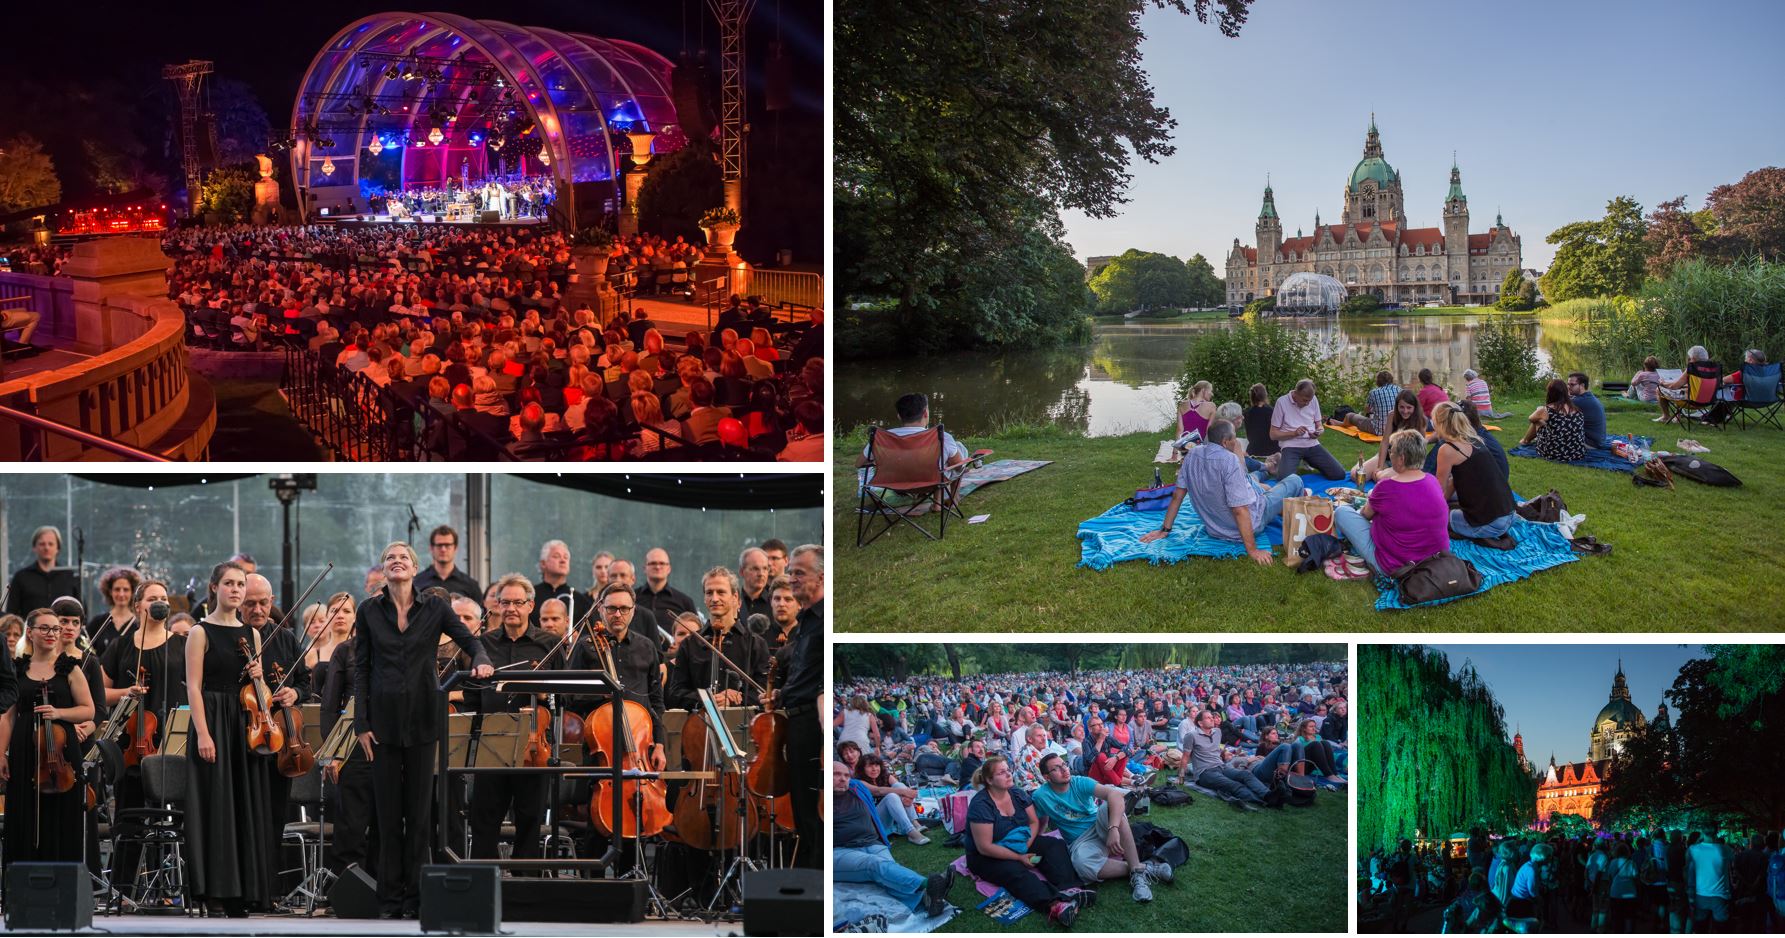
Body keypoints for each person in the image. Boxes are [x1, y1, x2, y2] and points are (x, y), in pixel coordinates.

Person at [353, 542, 492, 918]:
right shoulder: (368, 610)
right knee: (387, 816)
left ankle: (414, 899)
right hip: (381, 723)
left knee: (417, 817)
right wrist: (361, 723)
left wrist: (481, 660)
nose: (396, 561)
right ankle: (389, 900)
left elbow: (470, 641)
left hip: (423, 719)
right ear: (384, 569)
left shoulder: (435, 608)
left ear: (415, 569)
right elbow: (362, 668)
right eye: (390, 558)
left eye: (404, 557)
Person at [183, 562, 275, 916]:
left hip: (242, 724)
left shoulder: (252, 634)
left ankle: (243, 892)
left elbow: (261, 695)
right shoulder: (199, 632)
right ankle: (215, 893)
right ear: (214, 587)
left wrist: (259, 676)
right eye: (229, 583)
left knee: (243, 804)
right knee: (216, 806)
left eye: (240, 584)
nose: (236, 590)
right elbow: (193, 687)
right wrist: (203, 734)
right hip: (212, 721)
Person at [0, 606, 95, 868]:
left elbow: (88, 710)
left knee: (62, 812)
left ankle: (63, 879)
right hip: (24, 748)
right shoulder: (17, 669)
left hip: (62, 750)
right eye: (44, 628)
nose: (51, 633)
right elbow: (8, 717)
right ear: (30, 632)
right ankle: (22, 880)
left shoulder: (70, 669)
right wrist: (1, 753)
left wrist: (59, 712)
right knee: (24, 811)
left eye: (55, 628)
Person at [1140, 419, 1302, 567]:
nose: (1236, 441)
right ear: (1225, 442)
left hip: (1215, 529)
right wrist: (1253, 551)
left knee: (1251, 478)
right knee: (1295, 480)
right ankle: (1297, 519)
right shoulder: (1229, 461)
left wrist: (1164, 530)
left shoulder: (1192, 455)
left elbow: (1177, 496)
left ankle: (1267, 470)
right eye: (1234, 438)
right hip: (1253, 519)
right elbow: (1239, 510)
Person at [963, 755, 1095, 927]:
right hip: (987, 855)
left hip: (1019, 841)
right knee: (1013, 870)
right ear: (989, 780)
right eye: (1002, 773)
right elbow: (985, 847)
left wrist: (1025, 847)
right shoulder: (981, 805)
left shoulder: (1017, 794)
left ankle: (1070, 888)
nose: (1009, 774)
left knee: (1054, 845)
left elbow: (1033, 822)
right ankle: (1055, 904)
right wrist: (1019, 857)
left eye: (1008, 770)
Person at [1032, 752, 1174, 902]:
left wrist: (1113, 829)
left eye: (1064, 765)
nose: (1064, 770)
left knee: (1112, 806)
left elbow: (1114, 795)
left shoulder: (1079, 782)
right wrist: (1038, 837)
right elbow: (1040, 818)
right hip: (1080, 841)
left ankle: (1138, 877)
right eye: (1056, 768)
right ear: (1047, 777)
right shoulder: (1040, 796)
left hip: (1100, 824)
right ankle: (1145, 868)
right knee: (1081, 864)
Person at [833, 761, 954, 917]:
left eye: (846, 775)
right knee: (874, 864)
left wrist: (904, 796)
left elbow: (883, 790)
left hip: (872, 843)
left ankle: (926, 899)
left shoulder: (856, 788)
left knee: (888, 873)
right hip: (840, 850)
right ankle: (928, 884)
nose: (843, 779)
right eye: (836, 774)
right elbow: (878, 790)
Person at [1332, 429, 1451, 577]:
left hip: (1396, 566)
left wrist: (1372, 500)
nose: (1390, 454)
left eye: (1392, 451)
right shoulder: (1432, 480)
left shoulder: (1387, 487)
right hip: (1436, 560)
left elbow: (1365, 514)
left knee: (1342, 512)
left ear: (1401, 458)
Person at [1431, 401, 1518, 542]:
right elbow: (1454, 482)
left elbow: (1438, 490)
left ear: (1439, 423)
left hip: (1491, 523)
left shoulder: (1448, 450)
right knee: (1447, 505)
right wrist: (1444, 501)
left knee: (1434, 518)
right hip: (1509, 514)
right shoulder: (1476, 440)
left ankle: (1475, 532)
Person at [1177, 707, 1267, 808]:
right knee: (1233, 784)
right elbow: (1185, 757)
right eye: (1208, 718)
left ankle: (1268, 795)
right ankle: (1262, 801)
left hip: (1221, 766)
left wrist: (1226, 753)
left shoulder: (1217, 732)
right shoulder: (1191, 736)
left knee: (1246, 775)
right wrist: (1181, 777)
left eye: (1212, 717)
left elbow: (1215, 749)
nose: (1212, 719)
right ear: (1200, 723)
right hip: (1205, 772)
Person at [1268, 379, 1347, 481]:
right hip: (1291, 446)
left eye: (1309, 401)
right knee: (1284, 480)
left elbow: (1319, 425)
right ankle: (1279, 461)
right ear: (1296, 393)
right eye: (1305, 400)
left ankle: (1309, 460)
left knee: (1339, 474)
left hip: (1312, 444)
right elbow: (1273, 434)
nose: (1307, 403)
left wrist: (1318, 432)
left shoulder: (1313, 399)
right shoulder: (1282, 402)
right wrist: (1294, 433)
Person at [853, 753, 927, 844]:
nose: (874, 769)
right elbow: (878, 791)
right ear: (862, 769)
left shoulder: (885, 776)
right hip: (874, 821)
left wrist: (907, 798)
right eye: (869, 766)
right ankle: (911, 832)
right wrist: (904, 792)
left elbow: (900, 788)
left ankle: (915, 823)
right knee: (891, 796)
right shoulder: (859, 782)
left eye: (876, 765)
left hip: (892, 817)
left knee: (898, 785)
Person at [5, 526, 78, 618]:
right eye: (42, 544)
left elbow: (80, 610)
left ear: (58, 548)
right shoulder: (21, 577)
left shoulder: (70, 576)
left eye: (51, 544)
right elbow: (11, 613)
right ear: (34, 547)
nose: (46, 547)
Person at [1357, 389, 1425, 479]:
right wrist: (1380, 467)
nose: (1405, 411)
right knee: (1357, 476)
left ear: (1415, 407)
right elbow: (1385, 442)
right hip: (1389, 456)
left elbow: (1420, 448)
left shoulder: (1421, 420)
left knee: (1381, 478)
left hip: (1405, 462)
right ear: (1397, 406)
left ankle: (1385, 473)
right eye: (1402, 407)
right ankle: (1362, 463)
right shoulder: (1392, 416)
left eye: (1409, 407)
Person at [1519, 379, 1588, 462]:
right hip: (1577, 453)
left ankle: (1525, 441)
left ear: (1550, 393)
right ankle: (1526, 440)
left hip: (1554, 453)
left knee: (1538, 421)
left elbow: (1531, 418)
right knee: (1544, 421)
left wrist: (1539, 412)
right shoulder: (1576, 409)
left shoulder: (1547, 409)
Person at [414, 524, 481, 599]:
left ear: (455, 548)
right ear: (431, 548)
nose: (443, 549)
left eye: (447, 545)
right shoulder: (417, 582)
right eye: (439, 545)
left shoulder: (471, 586)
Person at [1687, 830, 1733, 932]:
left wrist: (1690, 894)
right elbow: (1732, 865)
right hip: (1720, 895)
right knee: (1721, 929)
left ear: (1703, 833)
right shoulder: (1725, 849)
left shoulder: (1693, 849)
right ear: (1716, 832)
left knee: (1701, 928)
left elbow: (1688, 872)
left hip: (1700, 894)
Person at [1656, 345, 1713, 423]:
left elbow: (1673, 386)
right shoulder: (1713, 368)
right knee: (1683, 389)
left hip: (1692, 402)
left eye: (1690, 358)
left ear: (1694, 358)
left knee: (1658, 389)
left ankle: (1666, 416)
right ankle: (1677, 417)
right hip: (1708, 401)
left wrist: (1663, 383)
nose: (1689, 360)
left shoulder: (1692, 368)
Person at [1347, 370, 1402, 435]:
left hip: (1379, 430)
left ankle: (1341, 424)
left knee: (1350, 415)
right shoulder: (1400, 390)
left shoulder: (1374, 392)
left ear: (1378, 381)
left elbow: (1367, 410)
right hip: (1396, 430)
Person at [1566, 371, 1607, 448]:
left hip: (1590, 443)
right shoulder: (1588, 396)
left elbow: (1553, 411)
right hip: (1598, 441)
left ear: (1582, 385)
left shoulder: (1579, 401)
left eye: (1572, 384)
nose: (1568, 387)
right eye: (1568, 384)